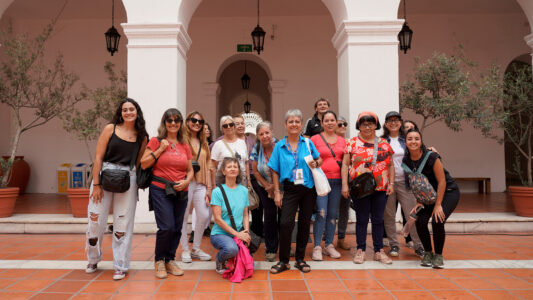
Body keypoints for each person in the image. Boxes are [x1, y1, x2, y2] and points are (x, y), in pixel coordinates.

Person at [86, 98, 148, 280]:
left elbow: (138, 162)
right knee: (95, 220)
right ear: (120, 112)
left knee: (123, 223)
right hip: (104, 174)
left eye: (131, 109)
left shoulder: (142, 136)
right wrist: (96, 184)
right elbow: (98, 157)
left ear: (137, 112)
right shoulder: (110, 129)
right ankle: (92, 258)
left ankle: (121, 264)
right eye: (125, 110)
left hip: (128, 178)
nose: (128, 112)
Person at [140, 108, 194, 279]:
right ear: (164, 123)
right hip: (160, 189)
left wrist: (187, 181)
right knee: (167, 226)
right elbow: (143, 164)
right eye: (169, 120)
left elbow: (191, 170)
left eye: (176, 120)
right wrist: (160, 149)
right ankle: (159, 260)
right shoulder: (156, 141)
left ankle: (170, 259)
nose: (173, 123)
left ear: (180, 123)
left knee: (177, 227)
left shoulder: (185, 145)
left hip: (181, 190)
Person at [268, 109, 322, 274]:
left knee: (305, 224)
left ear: (301, 124)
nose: (294, 124)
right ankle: (284, 261)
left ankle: (300, 259)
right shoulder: (279, 146)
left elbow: (319, 158)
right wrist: (277, 192)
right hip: (289, 188)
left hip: (308, 188)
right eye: (290, 121)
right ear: (285, 125)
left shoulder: (307, 143)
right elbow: (274, 170)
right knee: (285, 223)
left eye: (297, 121)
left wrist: (316, 163)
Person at [341, 111, 394, 265]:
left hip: (380, 187)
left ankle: (378, 251)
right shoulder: (351, 143)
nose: (368, 127)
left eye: (371, 123)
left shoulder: (384, 143)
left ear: (376, 125)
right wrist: (345, 184)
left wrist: (391, 184)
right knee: (362, 219)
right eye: (364, 124)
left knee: (378, 219)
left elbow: (390, 166)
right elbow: (345, 164)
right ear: (359, 125)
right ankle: (361, 250)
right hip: (360, 188)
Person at [403, 129, 460, 269]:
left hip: (448, 193)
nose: (413, 141)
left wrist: (438, 205)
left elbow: (442, 182)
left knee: (437, 220)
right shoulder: (406, 160)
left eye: (416, 138)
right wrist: (418, 201)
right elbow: (415, 183)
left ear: (421, 141)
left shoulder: (432, 157)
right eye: (410, 139)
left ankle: (438, 255)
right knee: (420, 221)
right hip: (427, 196)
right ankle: (428, 253)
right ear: (405, 142)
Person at [382, 111, 425, 258]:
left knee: (412, 215)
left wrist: (430, 149)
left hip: (406, 183)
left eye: (396, 120)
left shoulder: (405, 139)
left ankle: (419, 246)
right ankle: (394, 245)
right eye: (390, 120)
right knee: (389, 216)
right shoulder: (381, 141)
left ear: (400, 122)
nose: (393, 123)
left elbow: (419, 151)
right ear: (386, 123)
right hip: (388, 183)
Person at [310, 111, 345, 260]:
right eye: (327, 120)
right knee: (321, 213)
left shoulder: (343, 141)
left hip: (337, 182)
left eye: (333, 120)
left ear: (336, 122)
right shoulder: (314, 139)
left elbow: (346, 162)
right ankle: (317, 246)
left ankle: (329, 245)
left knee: (332, 214)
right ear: (322, 123)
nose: (330, 123)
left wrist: (345, 184)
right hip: (321, 182)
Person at [179, 111, 213, 263]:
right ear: (187, 122)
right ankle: (185, 248)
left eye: (200, 121)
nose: (197, 123)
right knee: (183, 215)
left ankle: (196, 248)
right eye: (194, 120)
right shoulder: (182, 140)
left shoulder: (203, 141)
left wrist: (210, 188)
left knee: (204, 215)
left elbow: (209, 165)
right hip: (187, 181)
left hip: (201, 183)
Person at [210, 157, 251, 274]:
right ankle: (219, 259)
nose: (232, 169)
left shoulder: (243, 190)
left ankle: (231, 256)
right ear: (223, 171)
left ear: (238, 170)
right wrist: (238, 234)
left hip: (238, 232)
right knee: (231, 249)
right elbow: (217, 219)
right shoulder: (217, 192)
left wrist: (246, 232)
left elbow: (245, 215)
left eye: (235, 166)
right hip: (220, 234)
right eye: (229, 167)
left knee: (248, 262)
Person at [250, 121, 279, 262]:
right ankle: (271, 248)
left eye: (267, 132)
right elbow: (255, 170)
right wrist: (267, 185)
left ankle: (285, 245)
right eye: (261, 134)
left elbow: (287, 166)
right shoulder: (256, 148)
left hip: (282, 186)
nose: (265, 136)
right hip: (265, 187)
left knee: (285, 218)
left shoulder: (280, 145)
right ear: (258, 135)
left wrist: (276, 186)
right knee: (269, 217)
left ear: (272, 132)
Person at [211, 115, 250, 185]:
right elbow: (212, 166)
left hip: (242, 181)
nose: (228, 127)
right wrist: (213, 185)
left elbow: (246, 163)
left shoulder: (242, 143)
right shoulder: (218, 144)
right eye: (225, 126)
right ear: (222, 129)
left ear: (234, 126)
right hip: (224, 181)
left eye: (231, 124)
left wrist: (249, 181)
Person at [335, 116, 351, 251]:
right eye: (339, 124)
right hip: (331, 179)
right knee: (328, 210)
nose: (343, 126)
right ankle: (326, 238)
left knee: (344, 210)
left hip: (347, 180)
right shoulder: (330, 141)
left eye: (344, 124)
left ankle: (341, 238)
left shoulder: (350, 142)